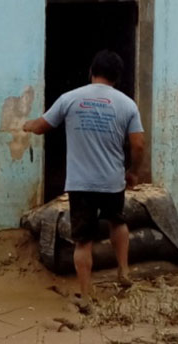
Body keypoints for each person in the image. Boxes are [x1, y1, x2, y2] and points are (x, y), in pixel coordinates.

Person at [23, 50, 145, 307]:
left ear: (91, 72)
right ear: (118, 78)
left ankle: (86, 296)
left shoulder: (70, 98)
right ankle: (123, 270)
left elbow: (42, 126)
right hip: (113, 180)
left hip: (81, 184)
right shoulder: (127, 104)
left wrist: (27, 125)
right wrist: (133, 171)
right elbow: (139, 144)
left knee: (83, 241)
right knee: (117, 221)